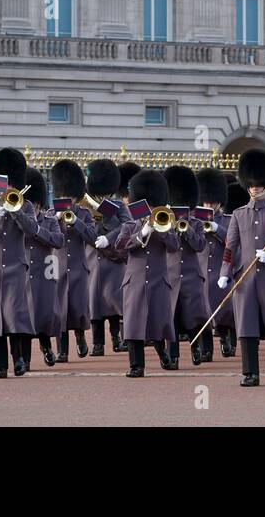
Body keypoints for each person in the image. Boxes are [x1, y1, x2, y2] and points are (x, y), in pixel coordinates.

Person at [217, 149, 265, 387]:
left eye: (258, 185)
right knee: (247, 324)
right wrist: (224, 273)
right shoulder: (239, 215)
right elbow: (230, 247)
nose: (254, 188)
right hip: (245, 279)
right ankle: (250, 372)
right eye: (251, 185)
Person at [104, 169, 180, 378]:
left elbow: (174, 246)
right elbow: (120, 246)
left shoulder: (166, 223)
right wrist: (142, 234)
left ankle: (162, 352)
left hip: (158, 278)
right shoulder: (130, 225)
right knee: (134, 323)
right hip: (135, 280)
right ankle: (136, 365)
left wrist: (162, 231)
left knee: (158, 320)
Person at [0, 148, 40, 378]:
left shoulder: (26, 205)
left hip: (15, 265)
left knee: (14, 313)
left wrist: (15, 212)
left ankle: (19, 359)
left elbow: (33, 231)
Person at [50, 159, 97, 362]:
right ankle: (62, 350)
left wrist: (76, 222)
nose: (67, 198)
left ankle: (80, 337)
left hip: (78, 266)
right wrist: (56, 220)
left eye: (70, 195)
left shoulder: (84, 214)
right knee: (59, 309)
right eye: (63, 195)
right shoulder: (51, 214)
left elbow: (92, 238)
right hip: (57, 267)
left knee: (77, 308)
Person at [85, 159, 129, 356]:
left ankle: (117, 339)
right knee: (95, 305)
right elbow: (83, 229)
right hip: (93, 260)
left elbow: (128, 226)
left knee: (114, 303)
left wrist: (109, 235)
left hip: (112, 260)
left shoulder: (118, 205)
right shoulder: (85, 205)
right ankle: (97, 343)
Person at [166, 164, 208, 368]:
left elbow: (200, 245)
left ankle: (195, 348)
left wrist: (187, 229)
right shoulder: (165, 222)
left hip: (191, 276)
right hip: (171, 277)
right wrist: (172, 229)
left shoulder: (197, 223)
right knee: (171, 318)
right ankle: (173, 356)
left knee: (194, 317)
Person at [23, 168, 64, 370]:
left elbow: (58, 240)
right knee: (24, 315)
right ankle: (25, 359)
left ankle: (46, 346)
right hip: (23, 271)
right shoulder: (18, 220)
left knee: (45, 313)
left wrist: (37, 230)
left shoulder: (50, 221)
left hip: (45, 270)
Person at [197, 167, 235, 360]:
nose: (209, 204)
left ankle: (226, 340)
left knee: (224, 309)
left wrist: (217, 229)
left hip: (222, 270)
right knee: (203, 311)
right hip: (202, 270)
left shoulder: (229, 220)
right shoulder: (195, 220)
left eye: (212, 201)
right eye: (206, 200)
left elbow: (234, 242)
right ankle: (206, 350)